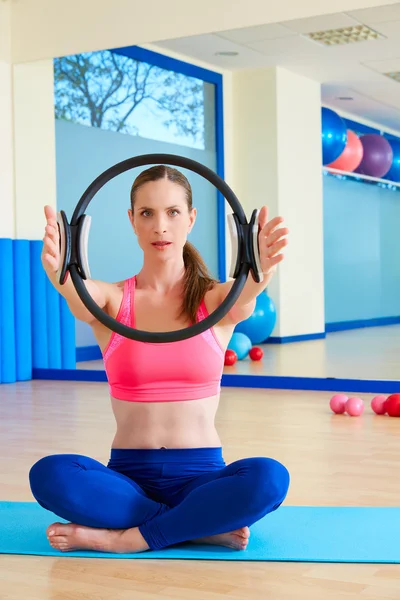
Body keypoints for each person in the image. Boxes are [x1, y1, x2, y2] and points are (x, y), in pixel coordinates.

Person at [29, 165, 290, 554]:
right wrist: (59, 274)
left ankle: (127, 539)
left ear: (191, 219)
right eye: (147, 213)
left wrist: (261, 273)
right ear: (132, 220)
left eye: (172, 212)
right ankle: (196, 524)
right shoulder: (114, 301)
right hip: (127, 480)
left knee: (270, 478)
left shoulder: (215, 301)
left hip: (201, 476)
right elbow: (80, 295)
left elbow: (245, 292)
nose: (160, 227)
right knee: (49, 474)